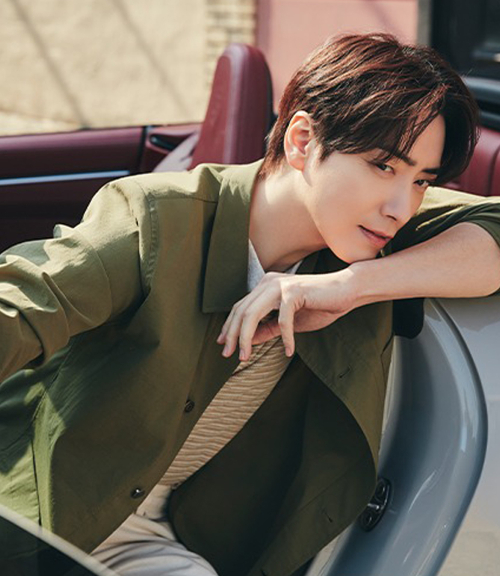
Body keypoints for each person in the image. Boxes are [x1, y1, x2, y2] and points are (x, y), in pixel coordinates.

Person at [1, 33, 500, 576]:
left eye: (422, 180)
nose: (401, 206)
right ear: (303, 141)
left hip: (151, 537)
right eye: (383, 166)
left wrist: (354, 285)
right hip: (36, 516)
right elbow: (19, 308)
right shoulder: (156, 220)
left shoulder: (370, 238)